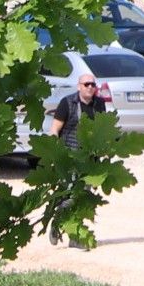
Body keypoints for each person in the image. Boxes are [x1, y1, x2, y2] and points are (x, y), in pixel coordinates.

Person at [47, 74, 107, 248]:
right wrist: (55, 153)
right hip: (70, 157)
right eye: (86, 84)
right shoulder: (67, 103)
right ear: (79, 86)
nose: (90, 87)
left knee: (83, 197)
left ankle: (74, 237)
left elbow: (102, 128)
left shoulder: (99, 104)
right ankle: (58, 222)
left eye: (93, 84)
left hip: (90, 159)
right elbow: (54, 129)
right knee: (71, 195)